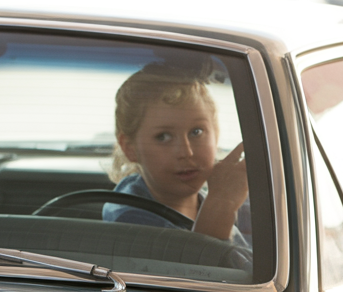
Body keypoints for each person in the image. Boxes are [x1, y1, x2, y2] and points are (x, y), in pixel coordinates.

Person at [105, 61, 251, 245]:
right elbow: (198, 261)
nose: (186, 152)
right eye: (163, 137)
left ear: (216, 134)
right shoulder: (130, 223)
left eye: (196, 132)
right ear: (130, 148)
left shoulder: (212, 196)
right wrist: (221, 204)